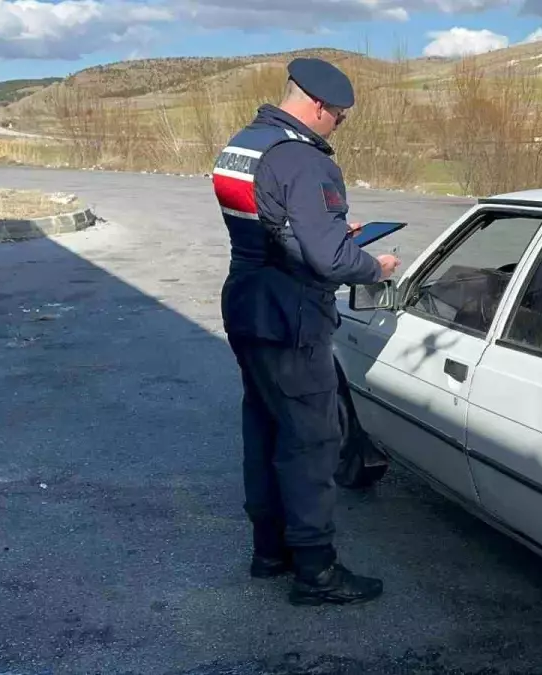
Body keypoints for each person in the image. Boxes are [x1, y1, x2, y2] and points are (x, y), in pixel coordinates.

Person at [211, 57, 399, 606]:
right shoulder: (303, 160)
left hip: (247, 303)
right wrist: (375, 266)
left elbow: (273, 225)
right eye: (338, 118)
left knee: (264, 431)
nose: (337, 126)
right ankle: (316, 572)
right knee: (311, 443)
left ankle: (269, 552)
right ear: (318, 106)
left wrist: (330, 231)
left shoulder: (246, 143)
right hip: (292, 316)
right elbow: (329, 259)